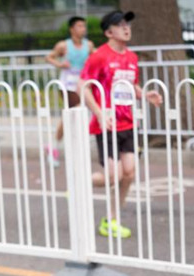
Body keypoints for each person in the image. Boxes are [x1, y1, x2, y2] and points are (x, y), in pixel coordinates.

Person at [79, 11, 162, 239]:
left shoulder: (132, 58)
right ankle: (81, 182)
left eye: (127, 24)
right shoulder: (99, 57)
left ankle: (111, 219)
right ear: (109, 32)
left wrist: (145, 94)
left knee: (129, 173)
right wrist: (99, 113)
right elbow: (83, 86)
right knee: (114, 175)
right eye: (120, 25)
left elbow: (129, 85)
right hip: (106, 125)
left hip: (127, 123)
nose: (127, 28)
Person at [45, 16, 95, 167]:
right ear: (72, 29)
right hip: (67, 84)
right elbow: (49, 57)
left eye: (84, 26)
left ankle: (54, 145)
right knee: (76, 110)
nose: (83, 29)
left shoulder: (89, 45)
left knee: (71, 116)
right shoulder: (63, 45)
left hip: (83, 84)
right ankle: (56, 145)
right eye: (79, 26)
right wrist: (60, 64)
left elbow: (95, 59)